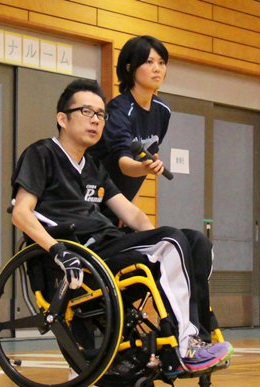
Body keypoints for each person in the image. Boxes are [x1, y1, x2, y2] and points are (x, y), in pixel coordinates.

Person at [11, 78, 233, 372]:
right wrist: (57, 250)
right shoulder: (41, 155)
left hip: (109, 244)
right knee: (171, 241)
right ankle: (184, 345)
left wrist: (165, 238)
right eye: (86, 112)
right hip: (81, 254)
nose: (96, 121)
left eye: (101, 115)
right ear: (62, 119)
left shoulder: (94, 167)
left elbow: (133, 216)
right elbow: (21, 213)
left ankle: (199, 338)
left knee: (195, 242)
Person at [88, 35, 215, 343]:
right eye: (149, 62)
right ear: (130, 68)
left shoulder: (162, 111)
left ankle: (197, 329)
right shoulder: (118, 110)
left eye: (162, 62)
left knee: (195, 243)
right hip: (94, 207)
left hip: (123, 207)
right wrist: (143, 166)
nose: (157, 69)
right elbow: (122, 162)